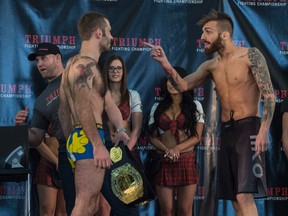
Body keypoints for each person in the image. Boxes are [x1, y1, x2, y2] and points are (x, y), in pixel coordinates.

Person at [144, 9, 275, 216]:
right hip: (228, 131)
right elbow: (183, 85)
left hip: (249, 128)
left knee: (244, 196)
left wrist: (263, 130)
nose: (202, 37)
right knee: (234, 199)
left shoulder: (250, 55)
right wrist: (166, 64)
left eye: (208, 32)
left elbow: (269, 96)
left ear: (224, 35)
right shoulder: (211, 65)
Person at [58, 12, 129, 216]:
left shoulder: (76, 65)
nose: (112, 37)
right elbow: (81, 106)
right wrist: (96, 144)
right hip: (90, 139)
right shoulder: (85, 66)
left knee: (92, 204)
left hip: (80, 138)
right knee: (85, 203)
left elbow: (65, 110)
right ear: (99, 33)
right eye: (109, 31)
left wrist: (121, 129)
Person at [15, 42, 75, 215]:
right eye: (37, 60)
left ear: (57, 58)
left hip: (87, 153)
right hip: (64, 157)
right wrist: (21, 128)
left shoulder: (76, 78)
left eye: (44, 58)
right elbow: (35, 139)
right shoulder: (42, 100)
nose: (40, 63)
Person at [148, 66, 204, 216]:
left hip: (186, 161)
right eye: (169, 79)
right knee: (166, 211)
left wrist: (176, 150)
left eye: (175, 79)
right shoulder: (157, 107)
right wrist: (167, 151)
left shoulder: (195, 106)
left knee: (185, 211)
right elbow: (152, 137)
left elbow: (197, 137)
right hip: (164, 161)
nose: (172, 83)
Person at [97, 55, 143, 216]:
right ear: (105, 71)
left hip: (127, 152)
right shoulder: (99, 95)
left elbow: (136, 130)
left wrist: (126, 152)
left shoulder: (133, 95)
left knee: (130, 201)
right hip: (104, 152)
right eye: (111, 68)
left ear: (124, 71)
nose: (115, 72)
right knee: (104, 206)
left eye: (119, 68)